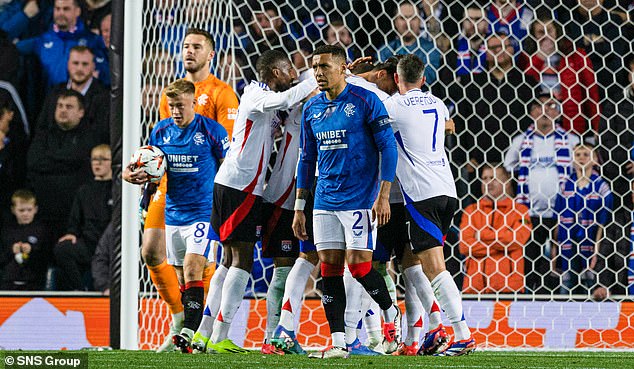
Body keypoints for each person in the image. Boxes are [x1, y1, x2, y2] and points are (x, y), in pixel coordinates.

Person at [201, 49, 317, 354]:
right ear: (277, 73)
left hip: (237, 186)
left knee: (227, 261)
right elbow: (284, 100)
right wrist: (314, 79)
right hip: (239, 187)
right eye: (291, 71)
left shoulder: (263, 103)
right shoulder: (255, 93)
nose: (294, 75)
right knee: (241, 262)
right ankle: (220, 337)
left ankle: (203, 333)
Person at [293, 44, 401, 359]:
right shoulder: (311, 108)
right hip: (324, 198)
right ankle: (339, 342)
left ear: (343, 68)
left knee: (359, 266)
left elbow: (388, 148)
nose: (318, 73)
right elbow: (306, 160)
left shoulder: (365, 101)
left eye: (325, 66)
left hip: (360, 198)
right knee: (329, 269)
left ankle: (389, 310)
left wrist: (383, 196)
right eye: (314, 67)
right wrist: (301, 207)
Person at [142, 28, 239, 353]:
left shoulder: (222, 93)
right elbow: (161, 148)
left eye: (196, 46)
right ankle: (179, 318)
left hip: (202, 190)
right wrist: (144, 174)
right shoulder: (169, 95)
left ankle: (198, 328)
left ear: (210, 54)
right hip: (169, 188)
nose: (189, 51)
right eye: (185, 46)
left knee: (199, 261)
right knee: (151, 251)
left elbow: (227, 147)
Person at [123, 79, 229, 353]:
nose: (176, 111)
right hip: (174, 214)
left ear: (193, 103)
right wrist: (130, 175)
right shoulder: (161, 131)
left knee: (194, 267)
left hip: (202, 213)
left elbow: (229, 164)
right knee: (182, 277)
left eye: (180, 106)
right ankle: (190, 339)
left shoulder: (211, 131)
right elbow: (142, 163)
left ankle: (188, 331)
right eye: (171, 106)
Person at [383, 54, 476, 356]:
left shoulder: (393, 106)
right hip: (448, 189)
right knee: (425, 263)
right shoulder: (437, 103)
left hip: (421, 193)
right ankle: (434, 331)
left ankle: (462, 335)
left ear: (396, 79)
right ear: (423, 79)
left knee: (435, 268)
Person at [504, 93, 580, 294]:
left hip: (562, 213)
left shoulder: (572, 141)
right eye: (539, 106)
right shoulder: (520, 141)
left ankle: (558, 297)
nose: (545, 110)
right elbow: (507, 167)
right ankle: (530, 296)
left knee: (558, 261)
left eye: (551, 105)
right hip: (529, 213)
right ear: (531, 112)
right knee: (530, 258)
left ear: (558, 111)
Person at [26, 89, 103, 239]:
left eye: (69, 107)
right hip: (44, 209)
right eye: (59, 106)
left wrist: (51, 160)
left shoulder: (90, 136)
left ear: (81, 112)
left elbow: (78, 158)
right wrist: (67, 162)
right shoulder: (44, 134)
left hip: (74, 211)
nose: (62, 110)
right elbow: (34, 162)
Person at [521, 15, 600, 137]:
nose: (546, 36)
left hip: (570, 123)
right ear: (533, 35)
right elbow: (523, 86)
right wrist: (539, 58)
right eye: (541, 32)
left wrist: (597, 129)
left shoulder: (576, 55)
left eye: (550, 31)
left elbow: (591, 94)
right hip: (538, 124)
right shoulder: (527, 57)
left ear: (557, 31)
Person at [459, 164, 532, 294]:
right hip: (474, 288)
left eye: (493, 178)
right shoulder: (471, 211)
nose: (488, 182)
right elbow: (465, 246)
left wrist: (481, 235)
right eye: (485, 178)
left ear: (507, 182)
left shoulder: (520, 211)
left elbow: (517, 239)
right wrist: (502, 244)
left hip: (509, 288)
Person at [553, 144, 613, 294]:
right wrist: (554, 253)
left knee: (589, 285)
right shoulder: (565, 186)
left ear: (594, 159)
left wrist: (597, 251)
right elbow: (558, 220)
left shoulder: (601, 187)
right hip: (567, 245)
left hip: (590, 245)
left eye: (586, 154)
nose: (581, 158)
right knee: (566, 287)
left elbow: (603, 224)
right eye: (578, 154)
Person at [53, 144, 112, 291]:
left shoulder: (118, 189)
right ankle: (80, 290)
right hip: (89, 243)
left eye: (103, 159)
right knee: (62, 249)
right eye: (94, 159)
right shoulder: (84, 190)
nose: (98, 163)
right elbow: (75, 219)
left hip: (111, 244)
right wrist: (72, 233)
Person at [16, 0, 109, 88]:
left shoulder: (93, 41)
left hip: (83, 101)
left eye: (66, 9)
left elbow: (108, 75)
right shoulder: (43, 40)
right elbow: (13, 49)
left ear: (77, 11)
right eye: (57, 8)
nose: (61, 13)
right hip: (50, 100)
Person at [36, 45, 110, 142]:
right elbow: (42, 130)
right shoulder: (55, 92)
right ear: (68, 65)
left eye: (85, 64)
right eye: (75, 63)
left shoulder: (104, 97)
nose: (79, 68)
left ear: (93, 66)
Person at [377, 1, 441, 86]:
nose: (408, 23)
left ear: (420, 21)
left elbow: (429, 78)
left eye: (413, 18)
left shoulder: (430, 49)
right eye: (403, 18)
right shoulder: (385, 50)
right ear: (395, 22)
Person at [0, 190, 51, 290]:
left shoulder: (42, 231)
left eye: (29, 210)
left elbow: (47, 257)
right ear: (13, 210)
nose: (25, 214)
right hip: (8, 282)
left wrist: (32, 250)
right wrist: (11, 250)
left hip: (34, 282)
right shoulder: (6, 231)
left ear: (35, 209)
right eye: (21, 210)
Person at [456, 4, 489, 77]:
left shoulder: (494, 49)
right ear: (462, 23)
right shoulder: (454, 49)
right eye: (469, 19)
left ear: (487, 23)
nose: (473, 24)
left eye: (478, 19)